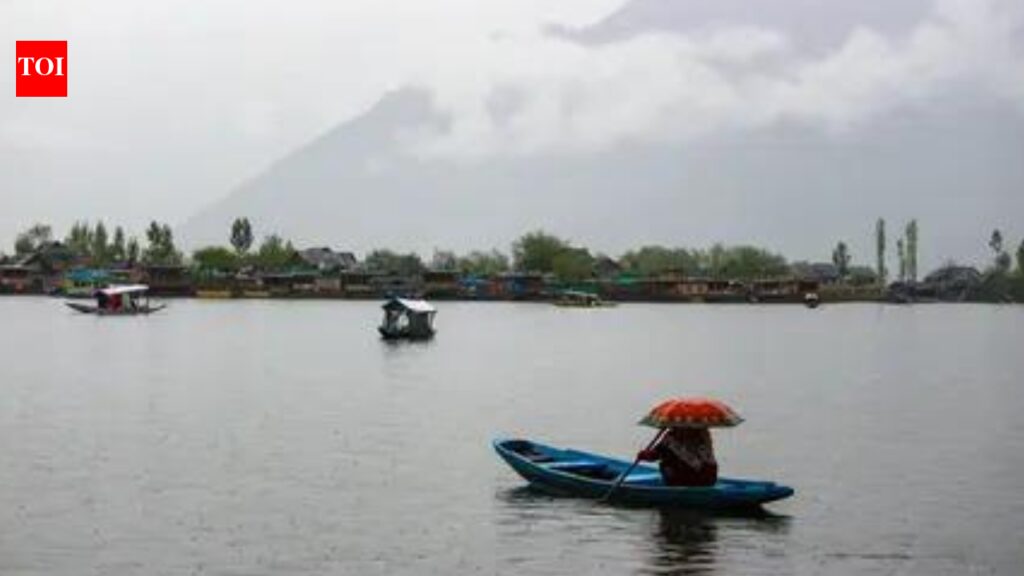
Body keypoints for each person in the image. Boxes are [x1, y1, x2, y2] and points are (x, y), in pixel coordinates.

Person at [637, 427, 718, 487]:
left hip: (694, 480)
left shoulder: (701, 436)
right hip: (708, 480)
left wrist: (647, 455)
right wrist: (645, 455)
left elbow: (658, 453)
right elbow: (657, 453)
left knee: (667, 462)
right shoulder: (704, 433)